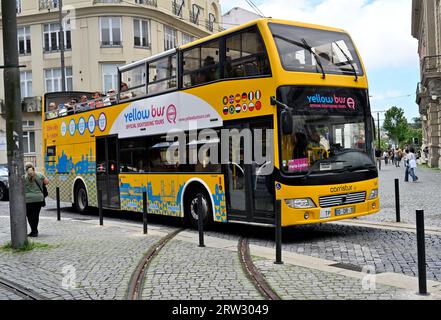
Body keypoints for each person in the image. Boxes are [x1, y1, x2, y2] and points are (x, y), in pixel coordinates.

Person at [23, 162, 49, 237]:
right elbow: (47, 182)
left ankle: (34, 231)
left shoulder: (24, 177)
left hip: (28, 199)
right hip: (39, 198)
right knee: (36, 215)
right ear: (33, 167)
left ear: (26, 169)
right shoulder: (40, 174)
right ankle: (35, 230)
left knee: (30, 215)